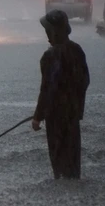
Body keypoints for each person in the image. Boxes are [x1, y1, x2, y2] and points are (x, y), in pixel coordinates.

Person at [32, 10, 90, 179]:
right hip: (72, 116)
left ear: (53, 32)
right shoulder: (77, 50)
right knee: (72, 162)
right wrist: (76, 107)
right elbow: (84, 81)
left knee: (59, 163)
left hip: (55, 118)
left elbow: (47, 89)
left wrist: (37, 117)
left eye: (47, 30)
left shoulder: (50, 56)